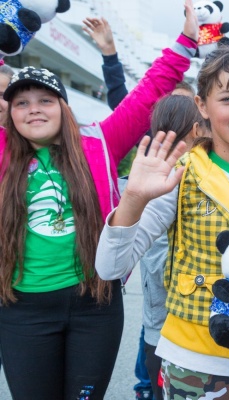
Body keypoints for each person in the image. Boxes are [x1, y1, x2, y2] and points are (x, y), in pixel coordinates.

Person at [0, 1, 198, 398]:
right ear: (10, 112)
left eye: (45, 100)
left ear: (63, 108)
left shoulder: (101, 142)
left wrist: (187, 40)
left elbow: (148, 92)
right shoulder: (4, 151)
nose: (34, 109)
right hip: (21, 309)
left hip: (94, 304)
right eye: (22, 102)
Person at [94, 46, 229, 399]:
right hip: (194, 362)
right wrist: (133, 200)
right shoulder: (179, 176)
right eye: (227, 99)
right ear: (202, 105)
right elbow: (110, 268)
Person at [140, 93, 205, 400]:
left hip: (164, 325)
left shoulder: (153, 174)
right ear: (197, 129)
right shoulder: (173, 177)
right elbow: (156, 264)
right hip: (174, 327)